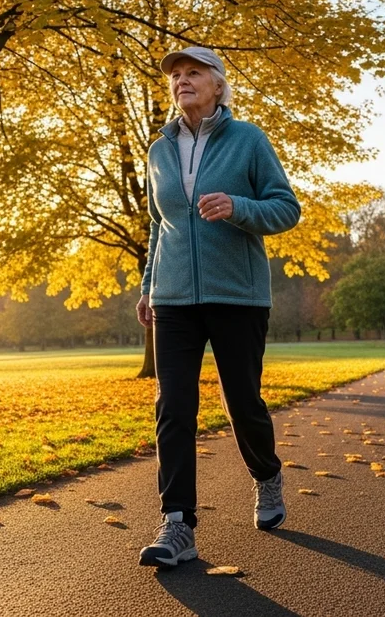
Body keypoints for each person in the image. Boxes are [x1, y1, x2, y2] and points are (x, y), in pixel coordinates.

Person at [135, 46, 301, 568]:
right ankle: (177, 523)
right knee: (174, 406)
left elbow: (286, 208)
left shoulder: (248, 140)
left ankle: (267, 475)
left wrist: (238, 207)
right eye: (176, 76)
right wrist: (148, 284)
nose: (182, 81)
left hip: (238, 296)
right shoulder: (158, 149)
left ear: (218, 84)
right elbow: (159, 228)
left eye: (193, 73)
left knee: (243, 404)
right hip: (174, 299)